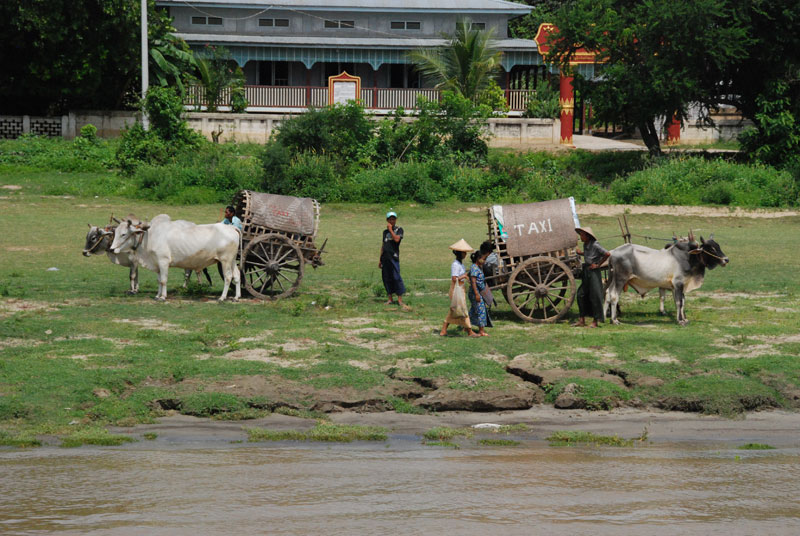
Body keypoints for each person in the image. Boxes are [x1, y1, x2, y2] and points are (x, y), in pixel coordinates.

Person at [440, 239, 479, 337]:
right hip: (456, 289)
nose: (465, 254)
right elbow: (454, 278)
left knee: (455, 311)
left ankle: (444, 330)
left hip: (460, 289)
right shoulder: (455, 264)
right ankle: (469, 331)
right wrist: (464, 276)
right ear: (460, 254)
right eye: (464, 253)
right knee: (462, 310)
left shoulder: (460, 264)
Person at [573, 226, 610, 328]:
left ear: (588, 236)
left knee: (595, 296)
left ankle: (595, 321)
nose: (581, 237)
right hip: (587, 271)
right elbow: (589, 254)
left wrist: (598, 264)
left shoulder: (595, 245)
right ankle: (582, 320)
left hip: (594, 272)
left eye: (582, 235)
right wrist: (581, 253)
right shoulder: (586, 244)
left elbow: (607, 254)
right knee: (581, 294)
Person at [379, 211, 409, 310]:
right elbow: (383, 246)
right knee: (386, 278)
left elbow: (396, 240)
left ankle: (399, 299)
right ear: (387, 220)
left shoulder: (399, 229)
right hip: (385, 258)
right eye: (390, 219)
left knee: (396, 277)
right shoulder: (384, 232)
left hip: (394, 257)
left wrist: (391, 230)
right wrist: (380, 259)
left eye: (393, 219)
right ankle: (390, 298)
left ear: (395, 220)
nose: (392, 221)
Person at [468, 250, 491, 336]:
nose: (484, 261)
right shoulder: (474, 268)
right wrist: (477, 294)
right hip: (475, 292)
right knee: (481, 310)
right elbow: (473, 282)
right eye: (483, 259)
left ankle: (466, 326)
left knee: (474, 310)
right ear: (478, 259)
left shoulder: (478, 267)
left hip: (478, 292)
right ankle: (481, 331)